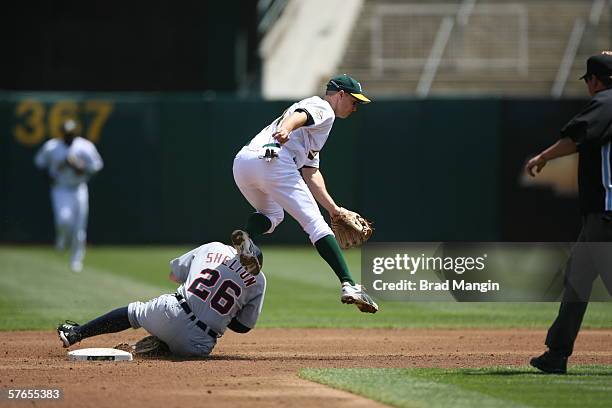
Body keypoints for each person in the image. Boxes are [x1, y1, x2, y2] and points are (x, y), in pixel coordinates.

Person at [231, 74, 378, 314]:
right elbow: (299, 115)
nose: (355, 108)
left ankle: (247, 238)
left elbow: (311, 173)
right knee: (316, 225)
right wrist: (285, 130)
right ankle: (349, 284)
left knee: (271, 215)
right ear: (340, 95)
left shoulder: (315, 134)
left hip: (243, 164)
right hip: (273, 159)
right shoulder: (324, 109)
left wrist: (335, 209)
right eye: (354, 101)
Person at [525, 51, 612, 374]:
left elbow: (577, 137)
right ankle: (557, 353)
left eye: (589, 79)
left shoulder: (606, 102)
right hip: (599, 214)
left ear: (594, 80)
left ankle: (558, 352)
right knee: (577, 280)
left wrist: (544, 157)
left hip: (606, 212)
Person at [57, 241, 266, 357]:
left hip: (171, 311)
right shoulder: (259, 281)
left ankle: (76, 333)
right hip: (198, 343)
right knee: (181, 346)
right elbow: (243, 327)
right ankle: (163, 346)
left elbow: (174, 275)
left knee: (134, 313)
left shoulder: (213, 247)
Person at [34, 119, 104, 272]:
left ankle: (76, 260)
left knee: (79, 227)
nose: (69, 137)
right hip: (60, 188)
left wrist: (79, 166)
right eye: (66, 134)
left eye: (71, 134)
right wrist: (51, 176)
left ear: (75, 134)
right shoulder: (52, 147)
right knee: (64, 220)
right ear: (62, 134)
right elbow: (40, 163)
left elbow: (97, 166)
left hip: (79, 188)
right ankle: (62, 239)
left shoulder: (84, 146)